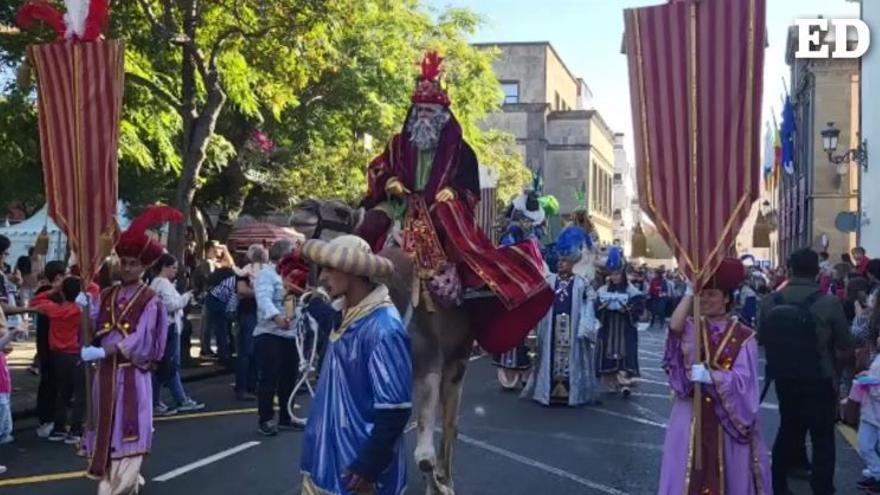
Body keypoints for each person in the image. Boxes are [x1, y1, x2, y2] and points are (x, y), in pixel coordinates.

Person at [355, 51, 551, 355]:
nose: (423, 117)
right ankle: (355, 281)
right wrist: (389, 182)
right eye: (419, 111)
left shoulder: (461, 149)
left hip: (438, 207)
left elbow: (471, 187)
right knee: (370, 224)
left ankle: (469, 286)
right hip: (401, 205)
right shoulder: (397, 143)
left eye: (429, 112)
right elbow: (381, 168)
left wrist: (455, 192)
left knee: (449, 220)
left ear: (442, 116)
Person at [79, 205, 181, 494]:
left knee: (129, 430)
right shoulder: (108, 293)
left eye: (133, 263)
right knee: (106, 429)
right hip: (105, 375)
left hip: (132, 374)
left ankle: (116, 488)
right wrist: (83, 309)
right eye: (123, 262)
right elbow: (92, 326)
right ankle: (123, 482)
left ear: (144, 266)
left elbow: (143, 338)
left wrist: (107, 351)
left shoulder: (151, 299)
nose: (126, 268)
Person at [300, 235, 411, 495]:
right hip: (328, 460)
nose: (323, 277)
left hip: (355, 472)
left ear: (354, 271)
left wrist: (369, 466)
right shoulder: (348, 314)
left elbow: (395, 410)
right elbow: (335, 324)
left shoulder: (384, 328)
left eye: (330, 268)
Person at [658, 257, 772, 494]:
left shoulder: (744, 336)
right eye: (704, 294)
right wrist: (690, 291)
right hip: (691, 413)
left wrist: (713, 377)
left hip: (726, 421)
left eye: (713, 294)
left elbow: (745, 383)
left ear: (727, 298)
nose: (707, 300)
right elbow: (674, 328)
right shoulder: (692, 327)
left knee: (729, 475)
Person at [759, 248, 852, 495]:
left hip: (784, 376)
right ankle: (821, 488)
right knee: (822, 436)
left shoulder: (770, 301)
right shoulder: (829, 302)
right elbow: (845, 345)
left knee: (788, 427)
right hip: (818, 376)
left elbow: (760, 338)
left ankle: (777, 484)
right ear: (816, 271)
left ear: (789, 269)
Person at [522, 227, 600, 406]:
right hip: (550, 328)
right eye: (559, 260)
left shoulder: (581, 283)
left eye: (564, 261)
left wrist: (586, 325)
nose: (560, 263)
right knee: (549, 355)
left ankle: (571, 393)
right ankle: (546, 391)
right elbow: (538, 297)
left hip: (572, 328)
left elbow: (591, 300)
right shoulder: (550, 280)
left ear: (572, 262)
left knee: (571, 357)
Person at [30, 276, 87, 444]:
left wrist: (54, 290)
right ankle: (76, 428)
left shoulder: (52, 309)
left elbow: (35, 301)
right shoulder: (81, 310)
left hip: (58, 356)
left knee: (61, 393)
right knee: (80, 394)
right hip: (76, 354)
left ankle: (59, 427)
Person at [253, 240, 300, 436]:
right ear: (283, 256)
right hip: (270, 333)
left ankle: (286, 417)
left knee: (290, 377)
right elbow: (263, 298)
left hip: (291, 334)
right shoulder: (266, 275)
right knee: (269, 378)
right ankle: (265, 419)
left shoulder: (291, 276)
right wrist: (276, 317)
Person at [149, 254, 204, 416]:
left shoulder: (158, 283)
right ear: (165, 267)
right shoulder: (163, 284)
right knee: (170, 365)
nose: (175, 271)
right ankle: (180, 399)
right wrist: (186, 297)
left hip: (165, 328)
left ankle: (155, 401)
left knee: (162, 366)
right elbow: (171, 305)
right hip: (169, 328)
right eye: (173, 267)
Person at [594, 248, 643, 397]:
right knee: (608, 354)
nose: (614, 277)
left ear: (623, 275)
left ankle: (625, 383)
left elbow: (638, 310)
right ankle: (611, 383)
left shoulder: (632, 291)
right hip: (608, 328)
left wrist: (627, 309)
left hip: (625, 329)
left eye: (617, 274)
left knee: (625, 354)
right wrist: (602, 307)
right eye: (612, 274)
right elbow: (596, 308)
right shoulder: (602, 290)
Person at [32, 261, 67, 438]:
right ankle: (45, 419)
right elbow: (35, 304)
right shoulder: (44, 292)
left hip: (59, 342)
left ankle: (53, 419)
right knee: (48, 379)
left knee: (57, 381)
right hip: (46, 340)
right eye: (62, 275)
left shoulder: (62, 293)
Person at [234, 245, 266, 401]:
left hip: (256, 312)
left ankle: (251, 386)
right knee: (247, 351)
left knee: (254, 352)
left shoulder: (249, 269)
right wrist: (262, 293)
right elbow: (241, 290)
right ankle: (243, 387)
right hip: (249, 313)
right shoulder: (247, 270)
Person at [849, 352, 880, 492]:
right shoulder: (878, 356)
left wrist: (869, 382)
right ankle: (876, 471)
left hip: (876, 408)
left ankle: (877, 475)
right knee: (864, 443)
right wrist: (866, 375)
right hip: (869, 411)